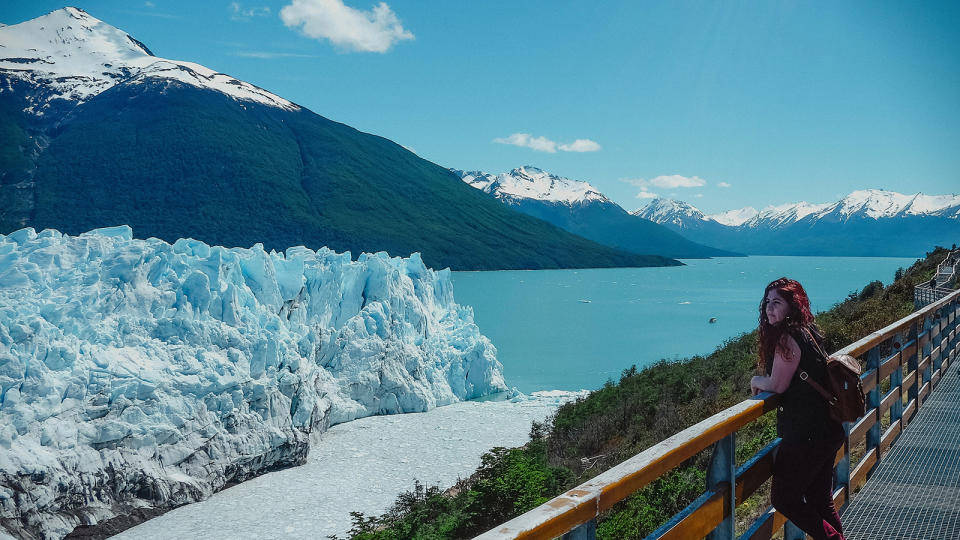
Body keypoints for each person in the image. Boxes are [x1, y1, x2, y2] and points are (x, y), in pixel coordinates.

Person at [750, 278, 846, 540]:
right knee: (819, 498)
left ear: (792, 306)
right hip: (828, 427)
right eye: (767, 302)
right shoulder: (808, 330)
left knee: (784, 498)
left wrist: (756, 380)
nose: (770, 309)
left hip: (807, 434)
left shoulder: (787, 338)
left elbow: (778, 385)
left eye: (777, 303)